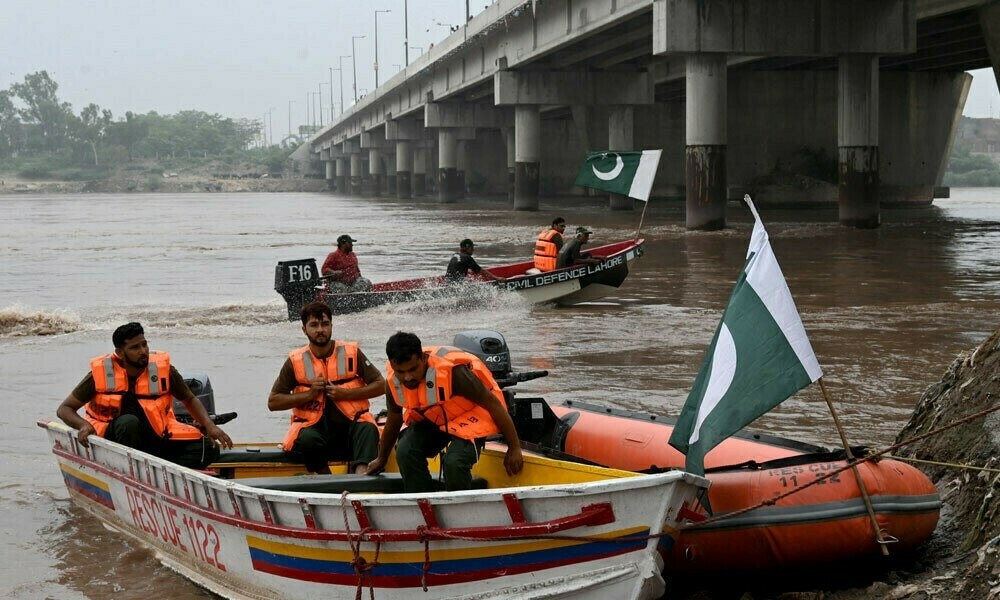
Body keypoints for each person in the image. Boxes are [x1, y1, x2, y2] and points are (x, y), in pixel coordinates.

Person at [56, 322, 233, 470]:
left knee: (208, 449)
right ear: (120, 353)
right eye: (134, 348)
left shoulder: (164, 371)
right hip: (117, 440)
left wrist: (209, 426)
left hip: (155, 437)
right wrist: (83, 425)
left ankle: (155, 469)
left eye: (144, 344)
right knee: (129, 423)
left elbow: (189, 399)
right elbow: (64, 409)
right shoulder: (101, 374)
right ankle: (134, 470)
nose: (143, 351)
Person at [366, 332, 524, 493]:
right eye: (400, 372)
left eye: (413, 369)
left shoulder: (454, 373)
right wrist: (382, 458)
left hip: (471, 416)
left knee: (454, 462)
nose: (407, 377)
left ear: (422, 358)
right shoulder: (393, 383)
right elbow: (394, 420)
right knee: (405, 450)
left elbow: (493, 404)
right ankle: (422, 500)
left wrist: (514, 447)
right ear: (392, 365)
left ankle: (458, 505)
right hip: (437, 420)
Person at [268, 300, 383, 474]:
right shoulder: (295, 361)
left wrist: (345, 394)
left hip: (351, 425)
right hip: (315, 428)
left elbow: (382, 385)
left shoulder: (351, 352)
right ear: (304, 329)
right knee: (307, 439)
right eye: (314, 325)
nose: (320, 330)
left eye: (325, 324)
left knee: (368, 429)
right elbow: (273, 402)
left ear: (331, 326)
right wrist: (309, 394)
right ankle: (327, 480)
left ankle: (362, 479)